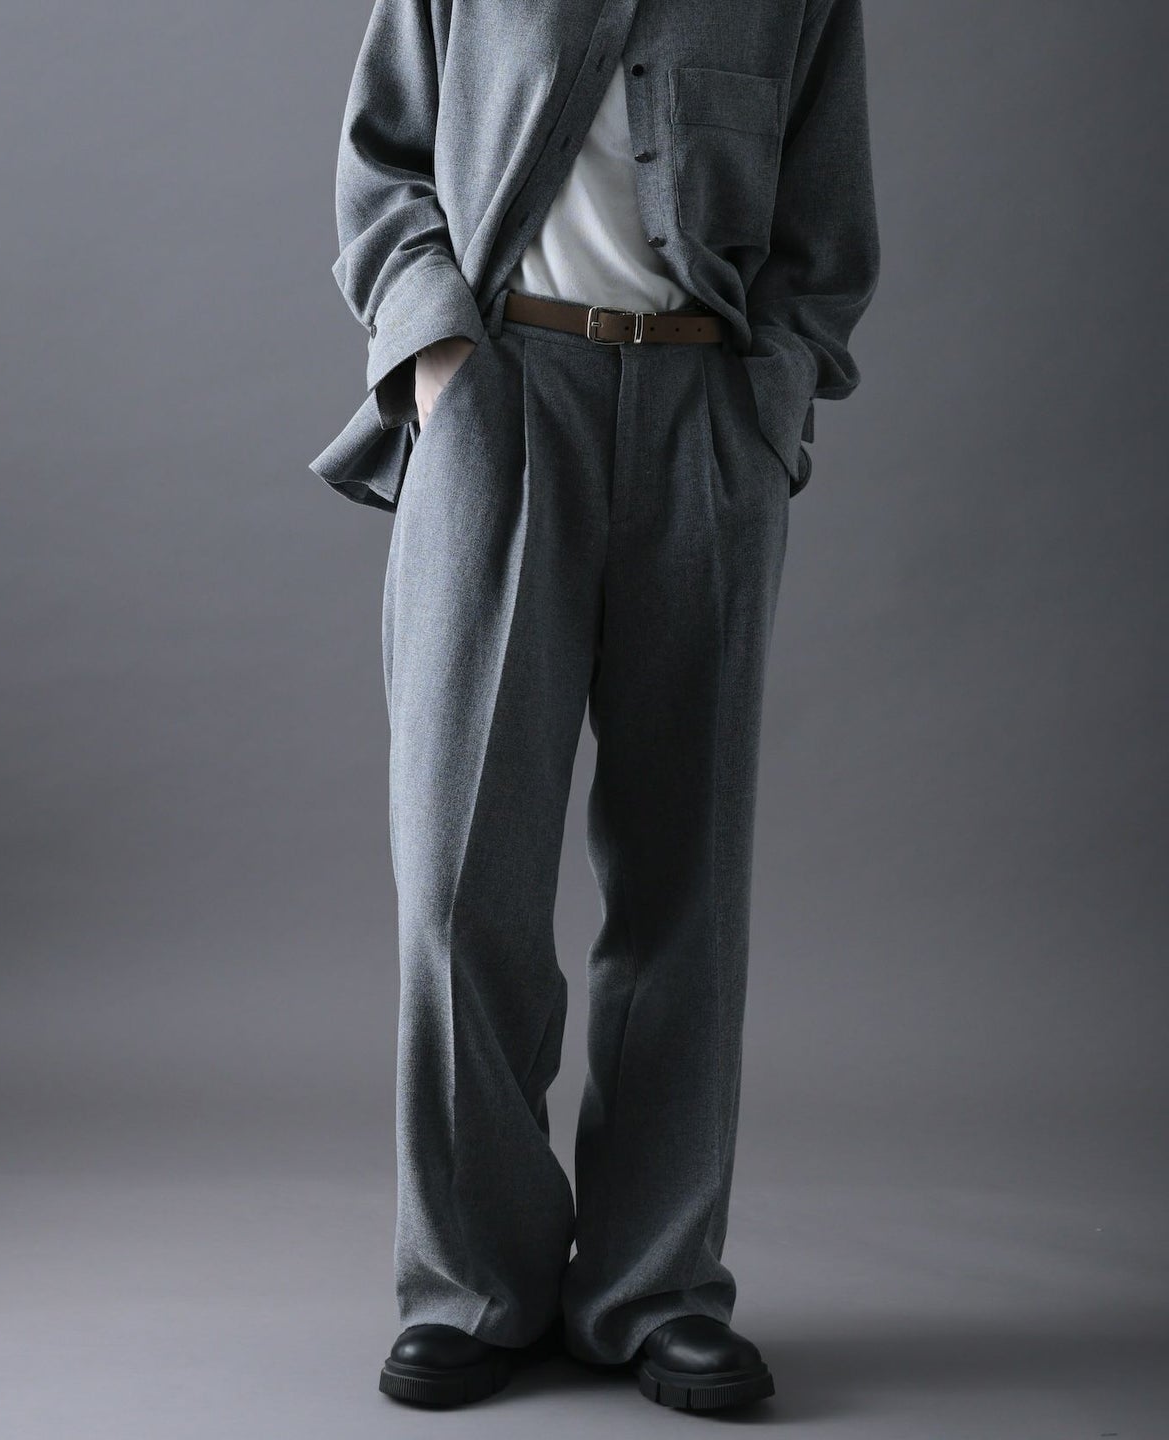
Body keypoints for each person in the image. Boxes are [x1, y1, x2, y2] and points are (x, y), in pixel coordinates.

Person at [310, 0, 880, 1413]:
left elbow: (826, 226)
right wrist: (439, 361)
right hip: (503, 399)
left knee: (687, 883)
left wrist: (769, 401)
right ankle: (473, 1281)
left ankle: (656, 1287)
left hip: (706, 417)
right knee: (461, 881)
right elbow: (383, 162)